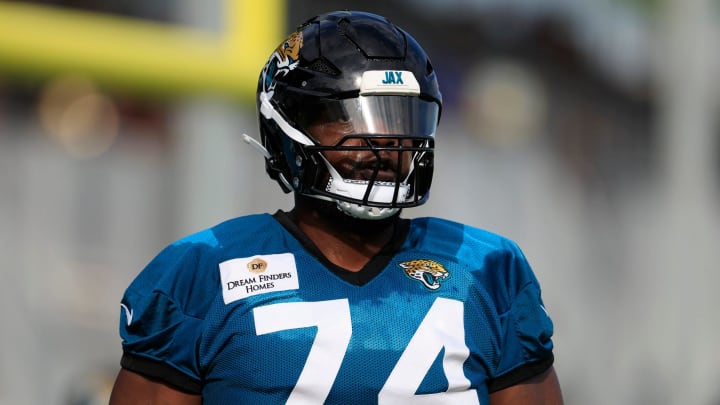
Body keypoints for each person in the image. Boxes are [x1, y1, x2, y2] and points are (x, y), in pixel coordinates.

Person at [109, 10, 563, 405]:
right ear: (287, 130)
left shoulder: (488, 268)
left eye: (399, 122)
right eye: (352, 120)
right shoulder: (200, 271)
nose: (384, 146)